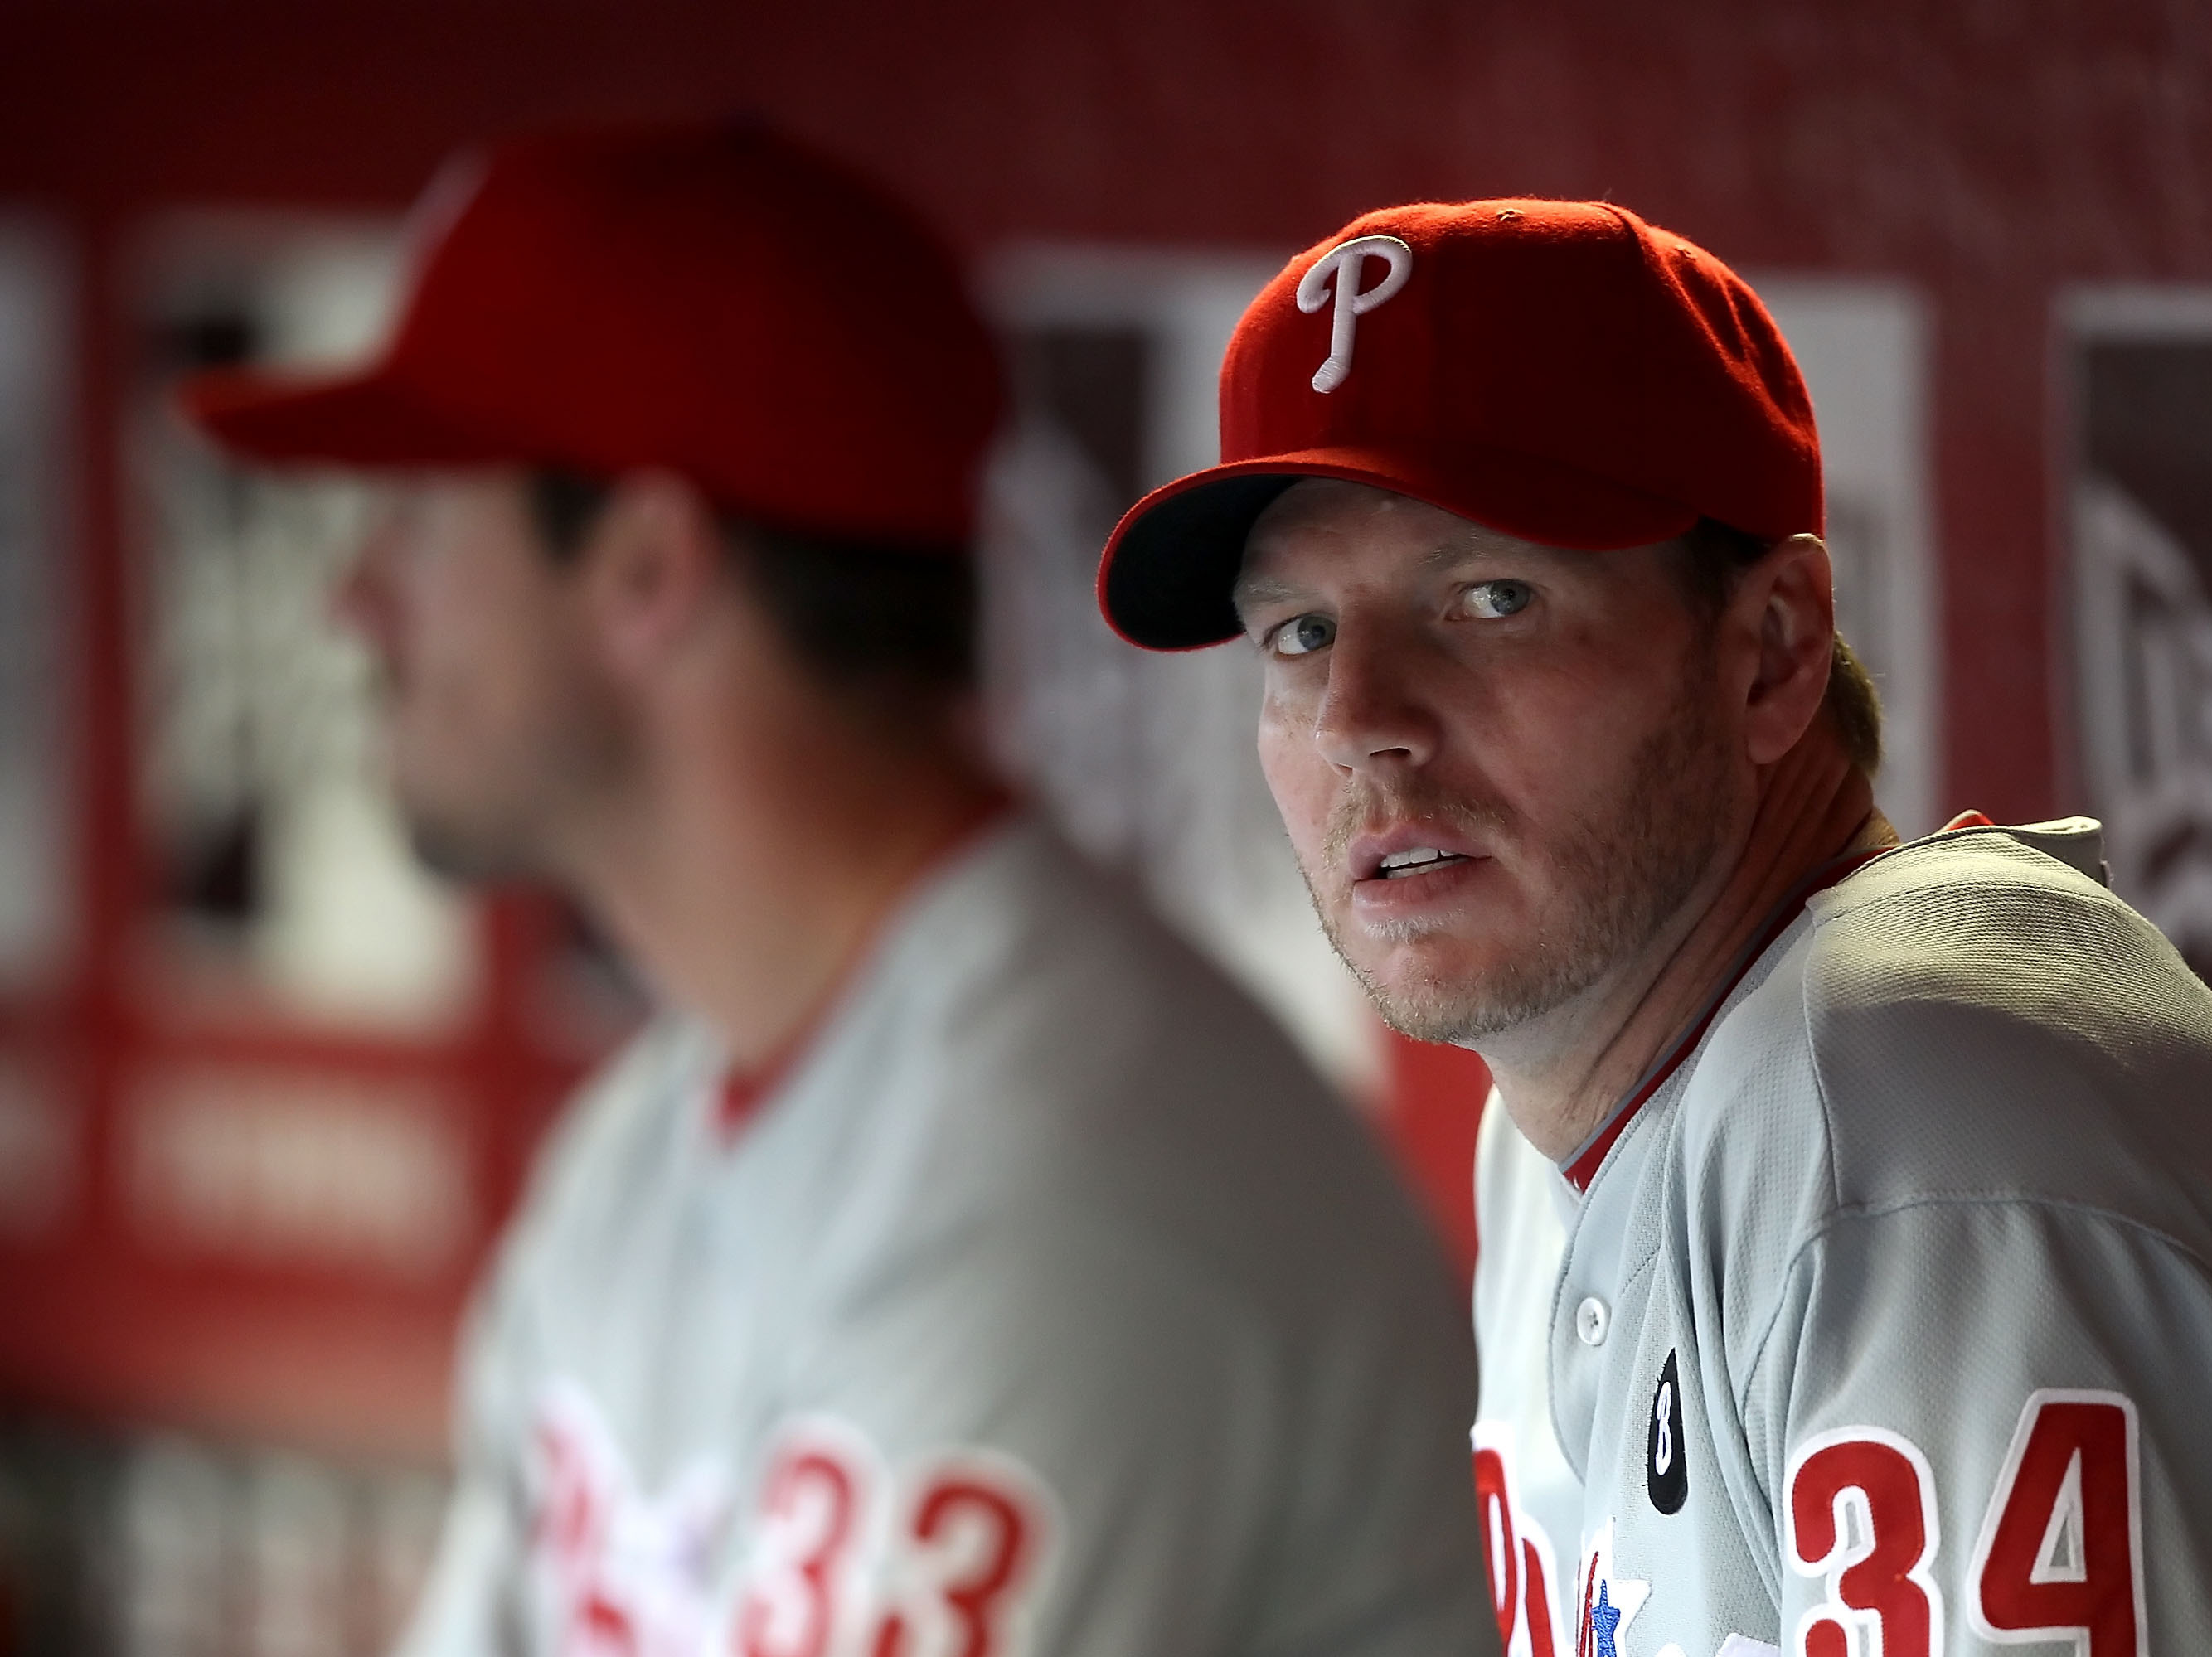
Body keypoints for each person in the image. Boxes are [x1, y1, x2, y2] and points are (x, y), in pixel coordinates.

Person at [1094, 198, 2212, 1657]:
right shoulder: (1587, 1114)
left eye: (1488, 599)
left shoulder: (1907, 1135)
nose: (1362, 723)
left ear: (1772, 650)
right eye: (1299, 634)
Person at [182, 124, 1500, 1657]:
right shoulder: (641, 1163)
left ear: (646, 567)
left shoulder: (1070, 1182)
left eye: (416, 519)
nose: (353, 601)